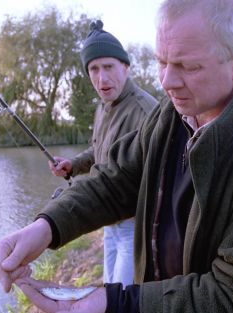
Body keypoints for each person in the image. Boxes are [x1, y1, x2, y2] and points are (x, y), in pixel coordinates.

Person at [0, 0, 233, 312]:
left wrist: (118, 303)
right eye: (162, 62)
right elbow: (116, 181)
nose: (167, 82)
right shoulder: (169, 113)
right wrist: (47, 226)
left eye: (188, 66)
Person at [48, 20, 157, 288]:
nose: (102, 78)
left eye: (108, 67)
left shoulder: (146, 112)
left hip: (135, 227)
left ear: (126, 67)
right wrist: (72, 165)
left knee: (122, 299)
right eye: (94, 69)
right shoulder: (103, 106)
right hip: (109, 223)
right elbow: (99, 150)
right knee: (109, 288)